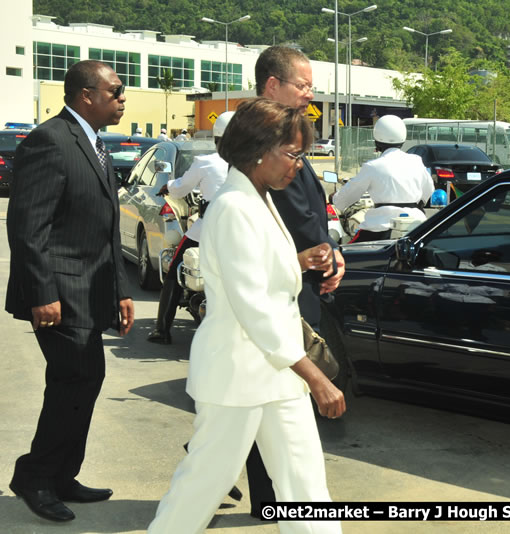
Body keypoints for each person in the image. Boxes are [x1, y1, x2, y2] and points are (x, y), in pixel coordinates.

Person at [147, 97, 345, 534]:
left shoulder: (256, 197)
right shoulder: (235, 207)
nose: (299, 164)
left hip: (275, 374)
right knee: (203, 485)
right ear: (258, 150)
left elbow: (257, 276)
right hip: (238, 374)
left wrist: (297, 261)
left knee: (305, 485)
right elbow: (252, 305)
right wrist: (315, 376)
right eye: (293, 154)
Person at [5, 60, 135, 523]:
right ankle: (36, 478)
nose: (122, 99)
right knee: (72, 382)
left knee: (84, 381)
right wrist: (42, 293)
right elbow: (26, 227)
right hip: (59, 292)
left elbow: (105, 228)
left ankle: (60, 474)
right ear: (86, 94)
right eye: (116, 91)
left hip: (91, 289)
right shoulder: (50, 141)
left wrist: (120, 289)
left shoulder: (95, 144)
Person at [254, 43, 346, 520]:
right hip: (277, 285)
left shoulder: (290, 137)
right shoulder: (260, 146)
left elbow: (314, 211)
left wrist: (335, 255)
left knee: (264, 399)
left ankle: (265, 493)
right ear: (274, 85)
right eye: (303, 85)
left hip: (305, 276)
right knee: (284, 391)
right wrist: (302, 261)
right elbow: (265, 229)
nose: (310, 94)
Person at [147, 111, 233, 344]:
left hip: (207, 230)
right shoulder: (254, 164)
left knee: (175, 269)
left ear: (216, 138)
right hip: (241, 234)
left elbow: (180, 189)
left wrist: (168, 187)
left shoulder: (206, 163)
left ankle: (162, 330)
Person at [332, 114, 434, 242]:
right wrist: (417, 205)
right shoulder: (416, 161)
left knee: (349, 255)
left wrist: (336, 199)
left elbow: (349, 194)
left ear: (377, 140)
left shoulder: (372, 166)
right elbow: (429, 188)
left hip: (379, 227)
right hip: (416, 225)